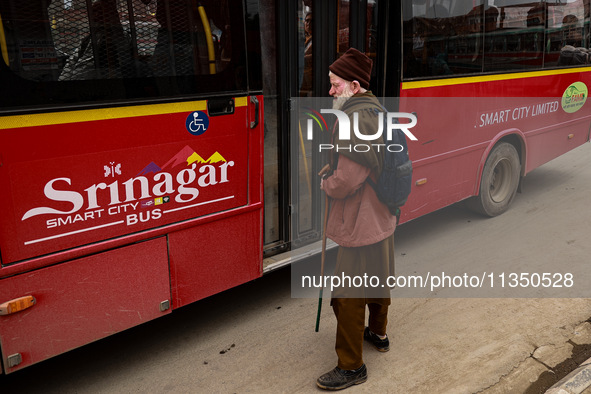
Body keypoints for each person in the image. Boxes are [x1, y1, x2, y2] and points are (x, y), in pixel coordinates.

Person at [317, 48, 396, 391]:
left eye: (335, 85)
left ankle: (351, 366)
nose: (331, 91)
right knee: (380, 275)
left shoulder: (356, 120)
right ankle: (378, 334)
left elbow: (347, 180)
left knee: (347, 295)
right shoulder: (374, 108)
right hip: (382, 214)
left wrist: (327, 181)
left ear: (353, 84)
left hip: (361, 219)